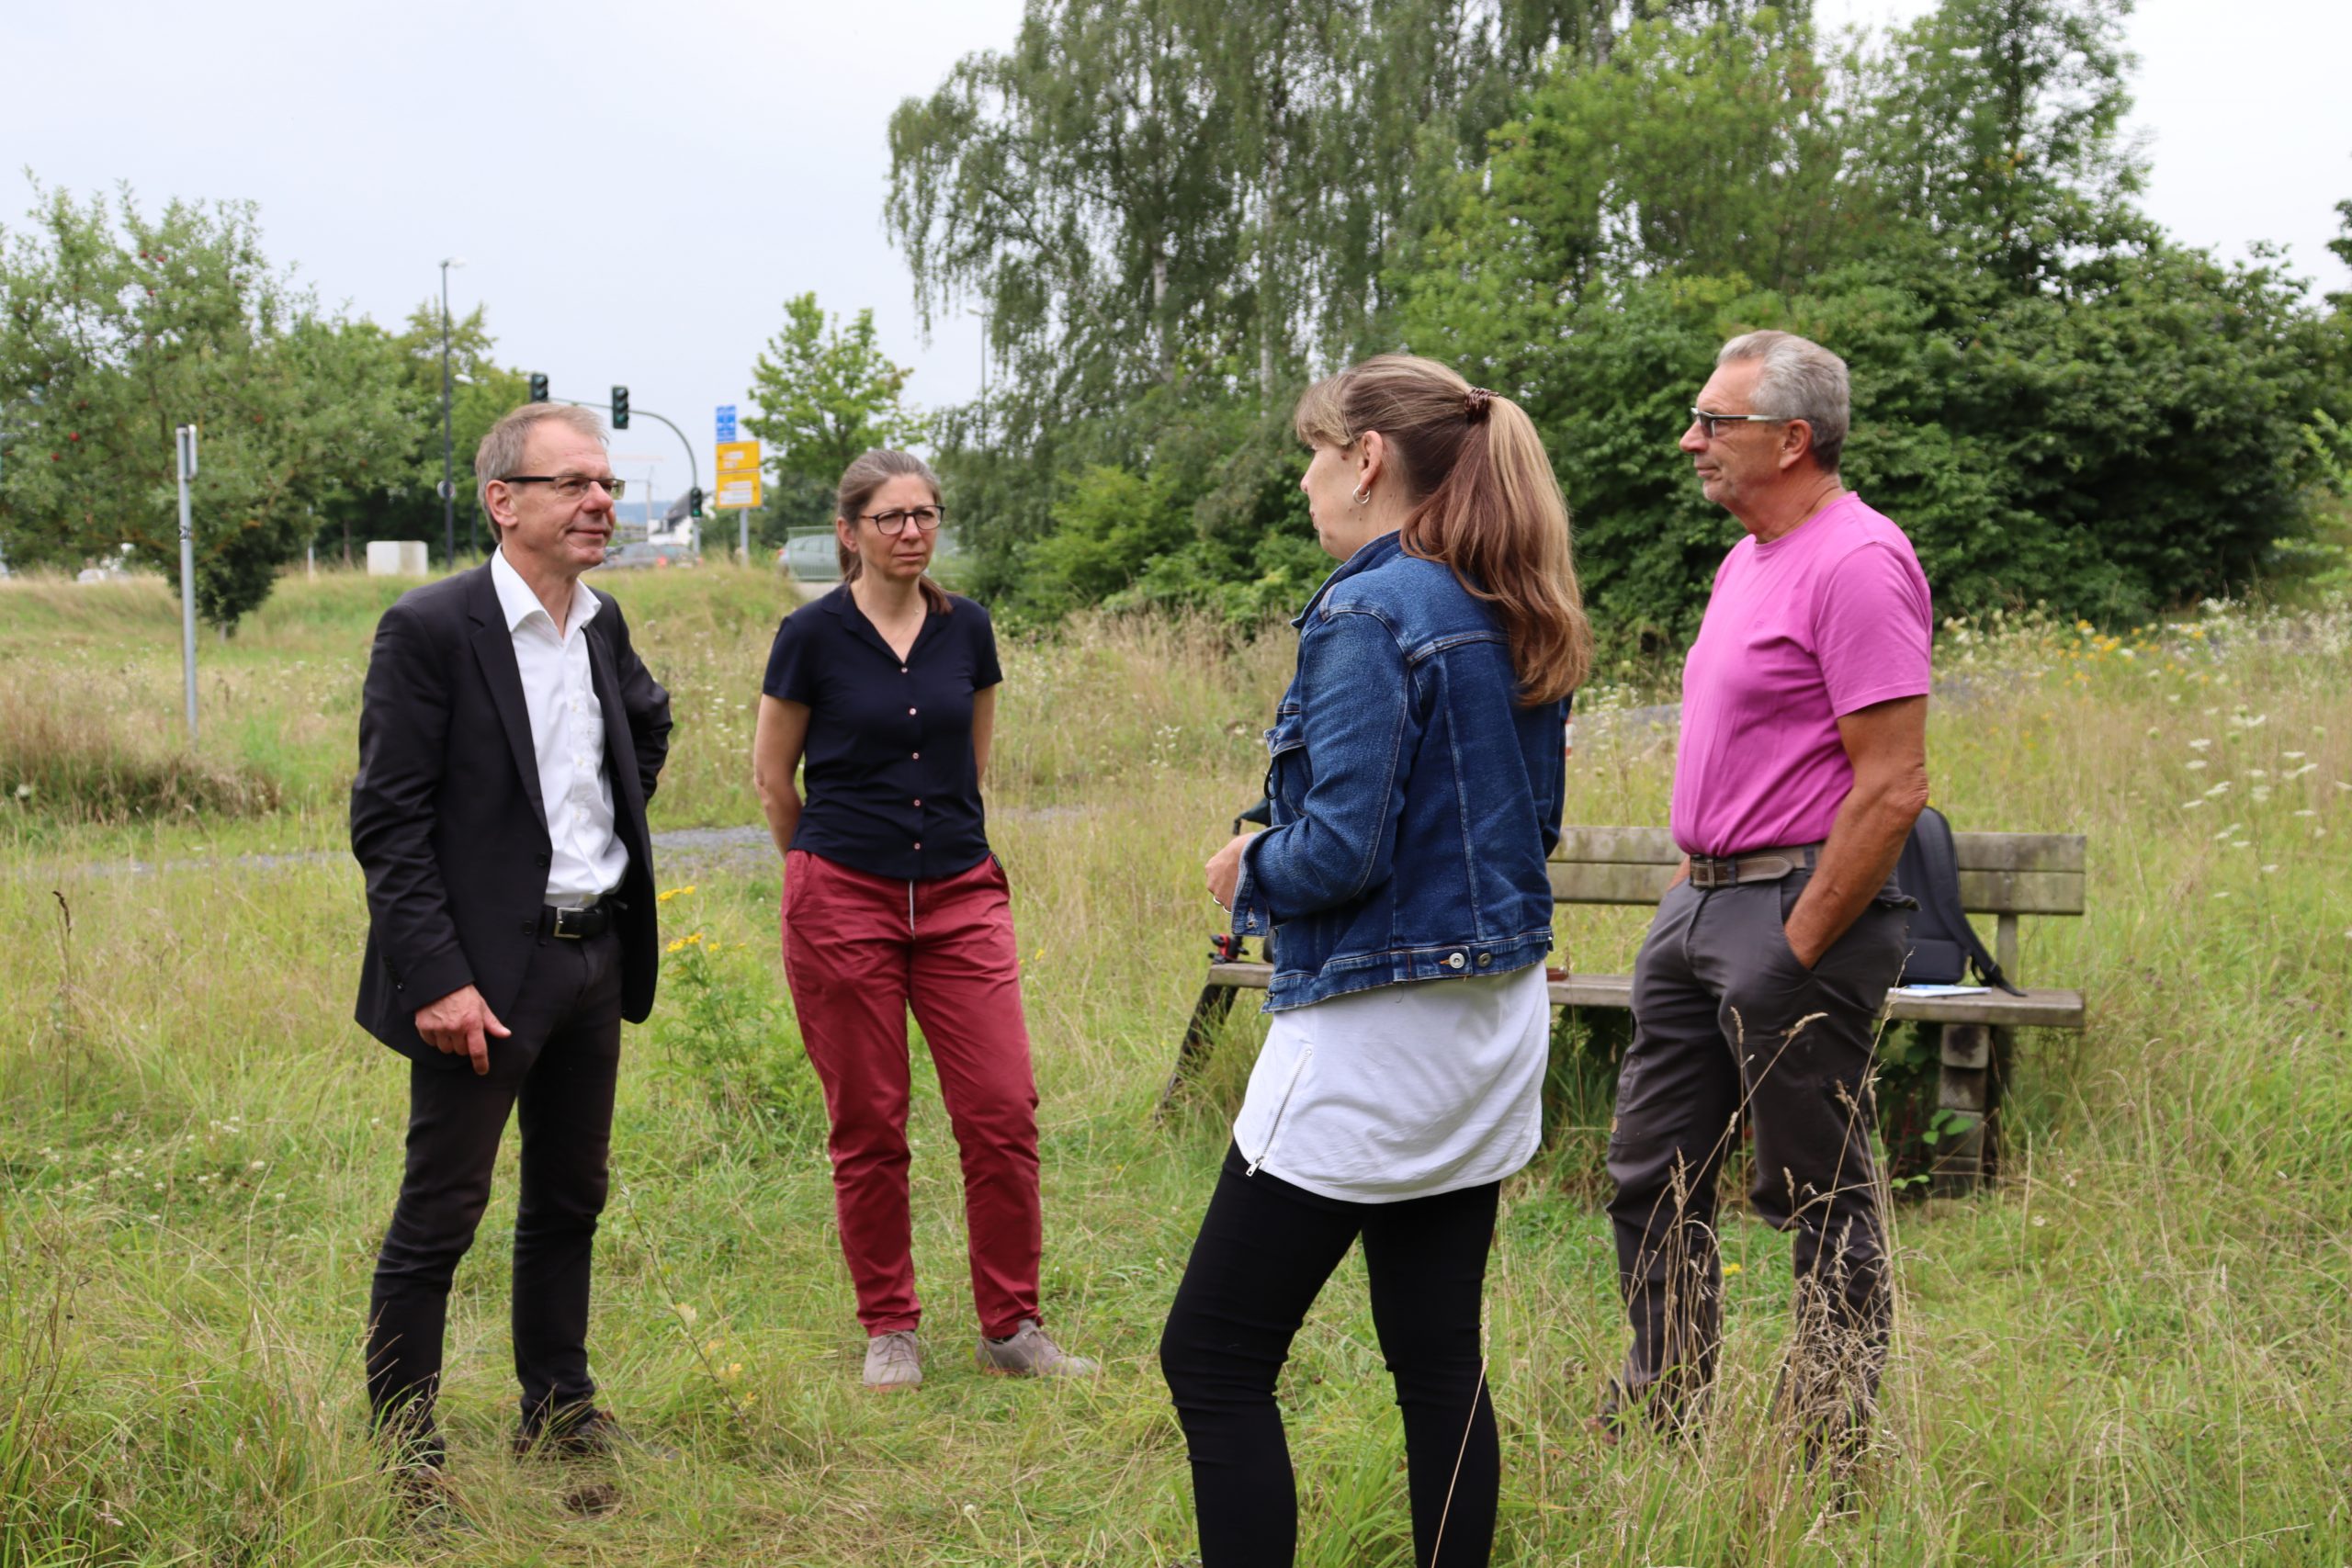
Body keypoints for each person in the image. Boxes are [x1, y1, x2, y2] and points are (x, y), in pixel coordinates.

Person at [1163, 355, 1591, 1568]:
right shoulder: (1507, 592)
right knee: (1436, 1355)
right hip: (1491, 1020)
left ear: (1367, 458)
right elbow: (1528, 826)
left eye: (1314, 450)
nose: (1304, 477)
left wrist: (1249, 864)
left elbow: (1341, 848)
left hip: (1372, 1028)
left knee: (1213, 1354)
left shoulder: (1373, 606)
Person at [1601, 330, 1931, 1461]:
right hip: (1699, 903)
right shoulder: (1745, 559)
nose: (1691, 440)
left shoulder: (1858, 560)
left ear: (1792, 440)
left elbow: (1891, 786)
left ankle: (1828, 1453)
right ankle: (1663, 1415)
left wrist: (1791, 944)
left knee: (1814, 1192)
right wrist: (1692, 896)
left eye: (1714, 422)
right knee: (1653, 1170)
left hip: (1793, 905)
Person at [352, 403, 673, 1497]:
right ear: (505, 502)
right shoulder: (431, 628)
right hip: (481, 976)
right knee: (441, 1210)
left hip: (593, 959)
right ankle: (404, 1446)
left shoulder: (601, 622)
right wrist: (436, 976)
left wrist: (605, 833)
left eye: (606, 485)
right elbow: (387, 826)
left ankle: (559, 1409)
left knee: (569, 1199)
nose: (600, 502)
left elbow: (643, 727)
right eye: (574, 483)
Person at [751, 449, 1093, 1391]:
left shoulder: (968, 630)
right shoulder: (810, 635)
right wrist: (815, 873)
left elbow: (970, 765)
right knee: (868, 1121)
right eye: (892, 516)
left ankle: (1011, 1326)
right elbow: (774, 779)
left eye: (926, 514)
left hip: (958, 894)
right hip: (841, 894)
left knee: (1001, 1111)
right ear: (850, 531)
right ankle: (890, 1326)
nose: (912, 530)